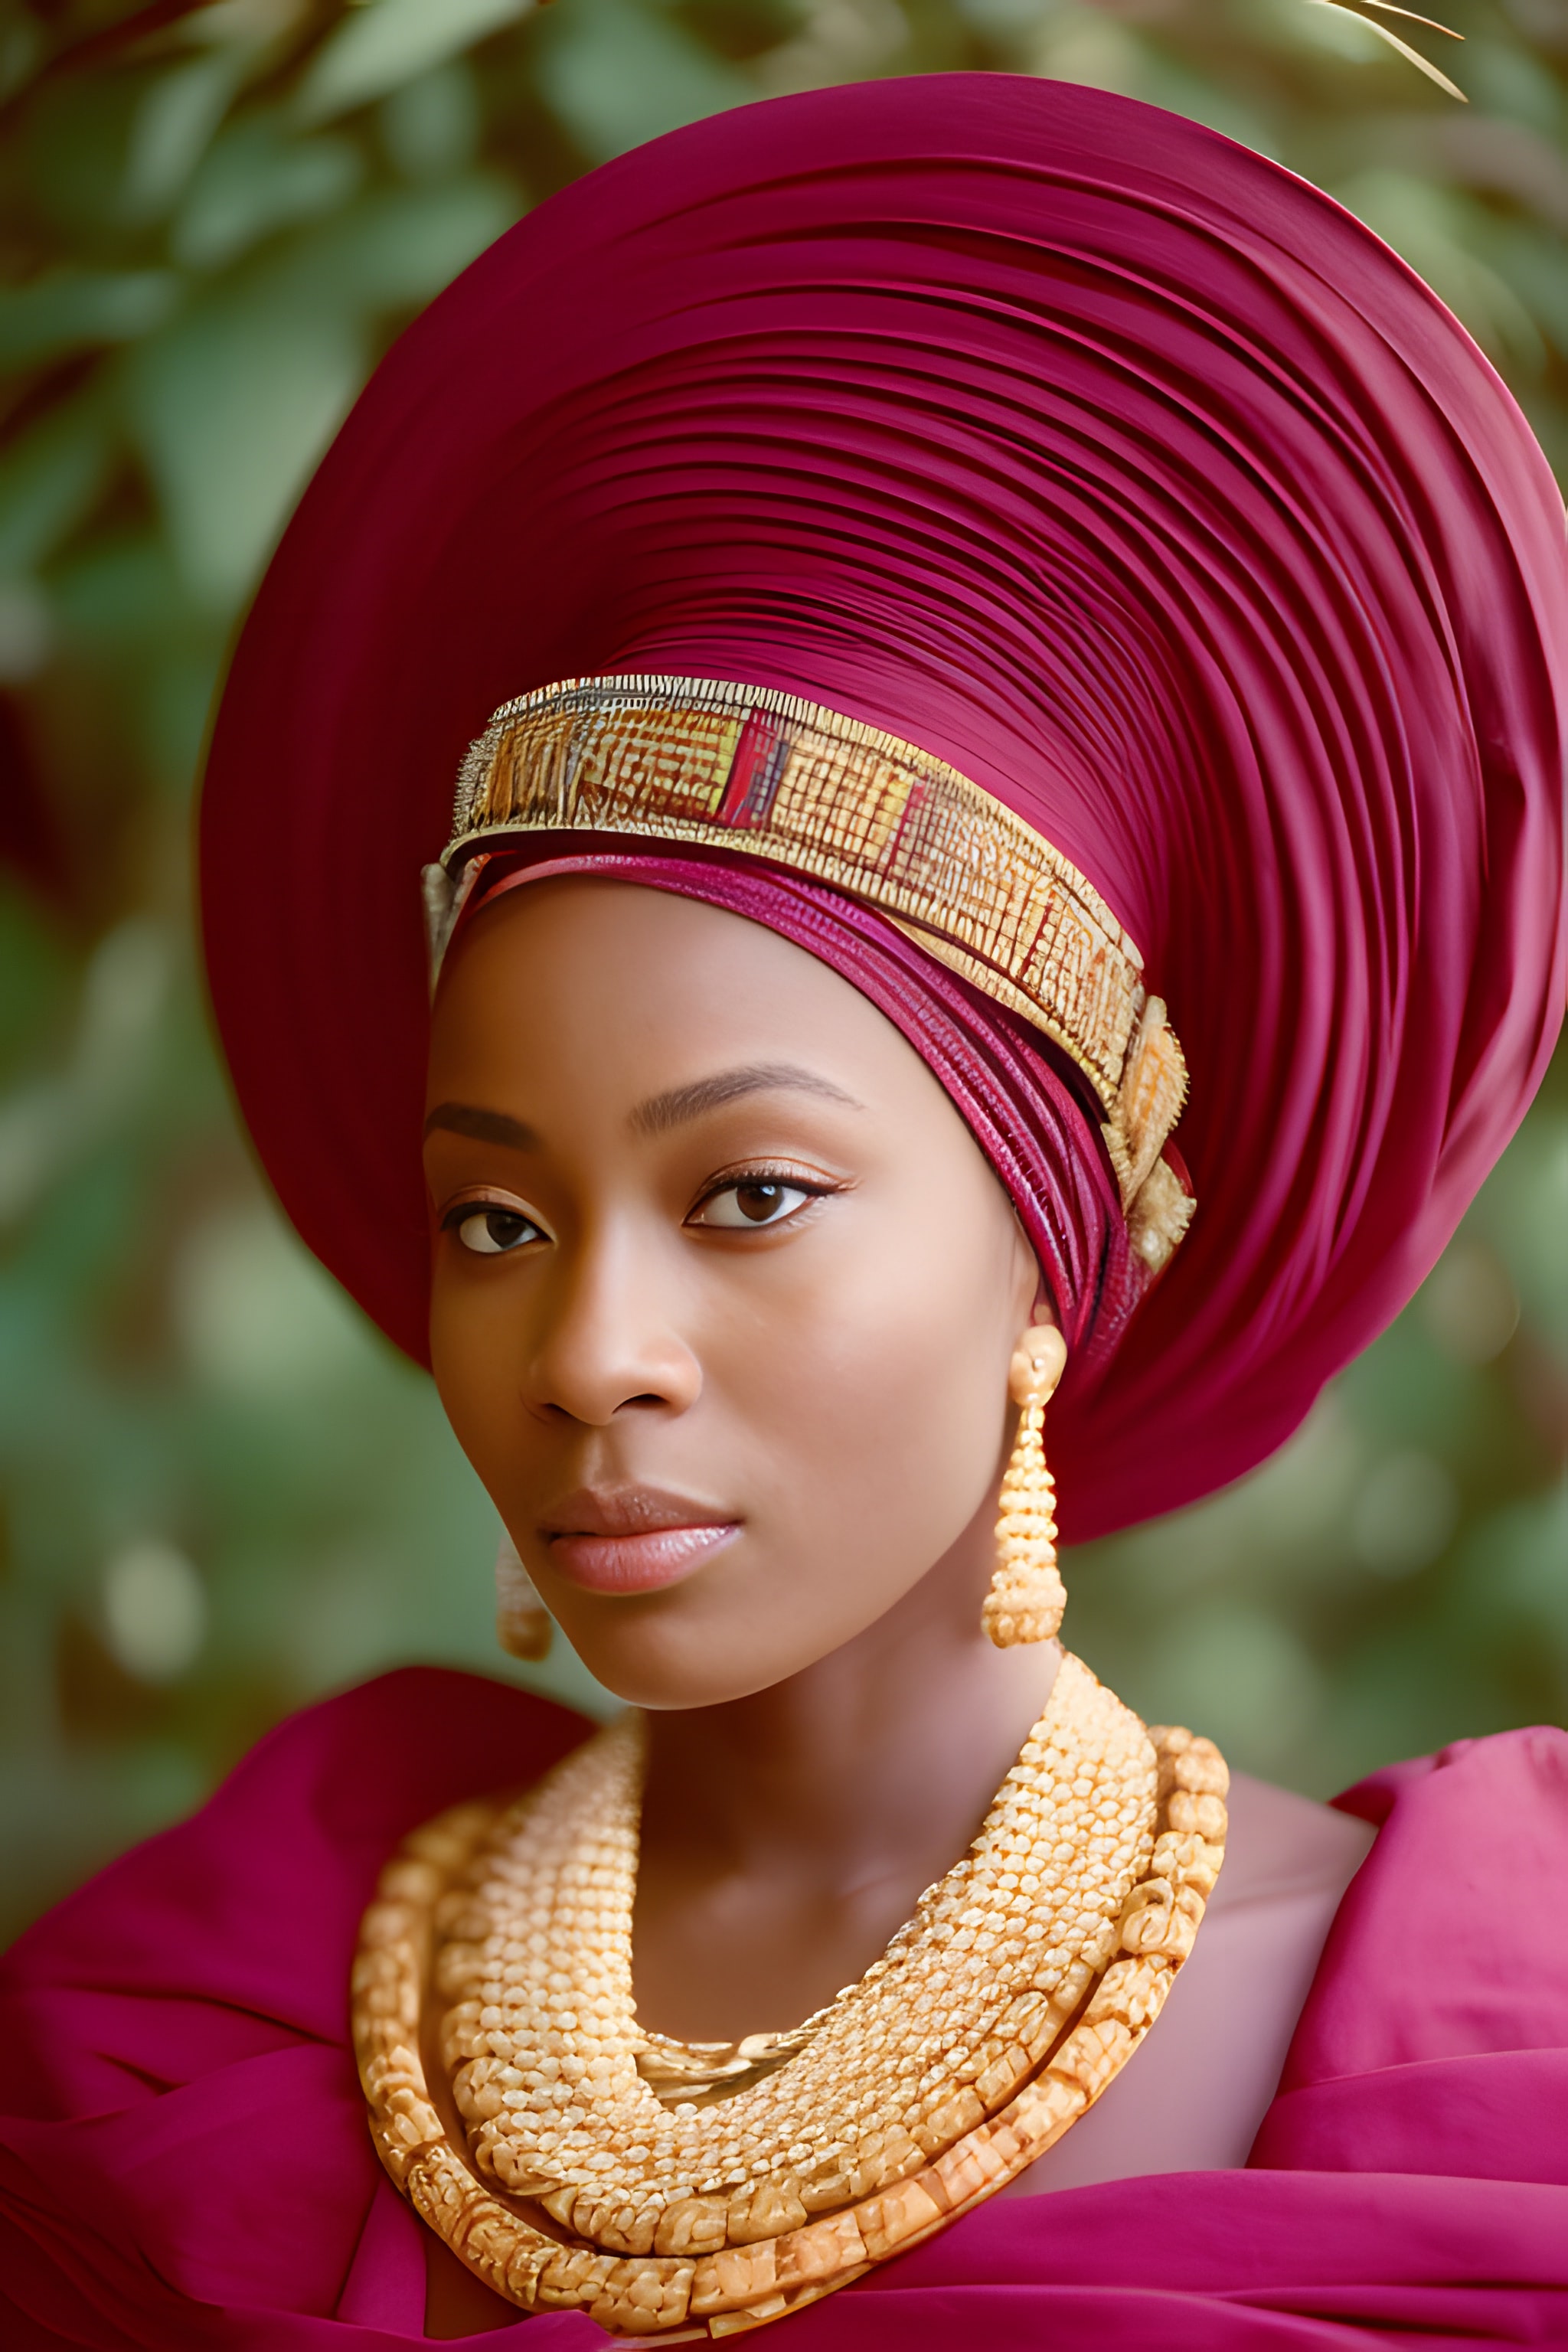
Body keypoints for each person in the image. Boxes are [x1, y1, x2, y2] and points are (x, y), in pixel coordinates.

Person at [2, 72, 1565, 2350]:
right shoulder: (196, 2017)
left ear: (1055, 1246)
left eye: (747, 1192)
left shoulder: (1483, 2058)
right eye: (498, 1223)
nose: (584, 1350)